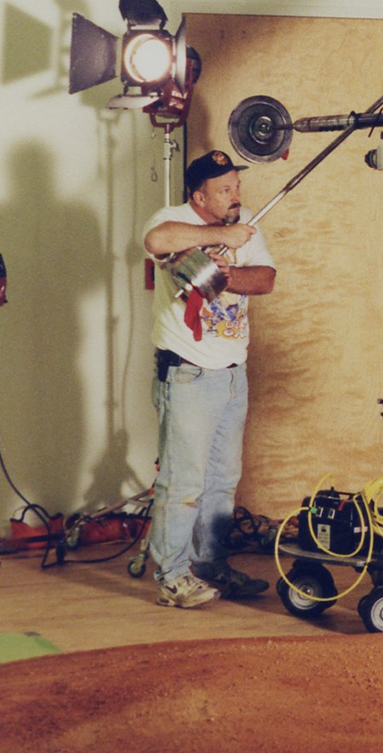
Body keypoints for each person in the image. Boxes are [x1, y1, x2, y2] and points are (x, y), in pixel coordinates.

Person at [143, 150, 276, 608]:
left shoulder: (246, 226)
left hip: (232, 375)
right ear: (200, 196)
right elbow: (157, 239)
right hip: (188, 373)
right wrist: (221, 236)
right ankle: (172, 575)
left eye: (236, 187)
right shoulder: (175, 219)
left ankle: (212, 565)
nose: (235, 196)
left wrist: (226, 271)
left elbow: (264, 279)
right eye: (225, 190)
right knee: (183, 482)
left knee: (222, 481)